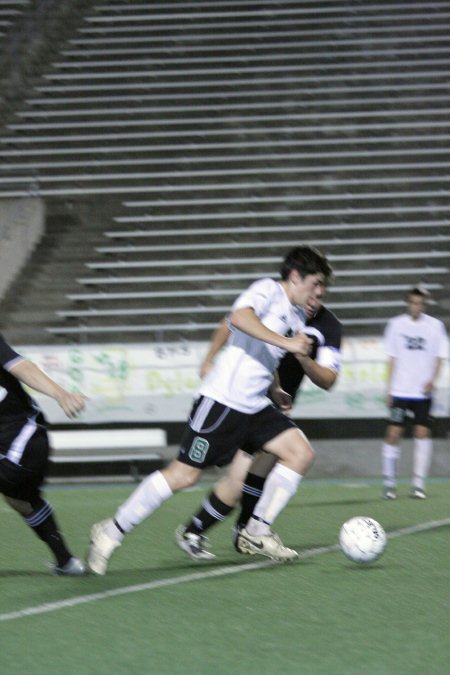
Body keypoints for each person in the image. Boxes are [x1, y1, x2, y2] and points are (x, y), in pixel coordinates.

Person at [87, 245, 333, 574]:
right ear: (295, 276)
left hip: (255, 405)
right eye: (315, 283)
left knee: (300, 452)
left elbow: (264, 349)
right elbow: (238, 318)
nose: (319, 292)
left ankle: (256, 531)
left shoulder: (296, 314)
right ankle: (110, 532)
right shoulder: (268, 290)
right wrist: (288, 344)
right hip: (222, 401)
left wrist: (274, 386)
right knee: (184, 475)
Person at [175, 288, 342, 561]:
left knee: (263, 468)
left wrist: (303, 357)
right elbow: (230, 321)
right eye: (311, 292)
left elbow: (328, 379)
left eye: (319, 295)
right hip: (240, 399)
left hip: (270, 409)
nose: (313, 300)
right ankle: (211, 530)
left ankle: (241, 530)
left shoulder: (328, 326)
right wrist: (208, 359)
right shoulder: (277, 302)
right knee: (239, 479)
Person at [0, 333, 87, 575]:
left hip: (23, 444)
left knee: (19, 494)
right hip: (22, 447)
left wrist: (62, 394)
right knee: (21, 501)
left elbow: (23, 367)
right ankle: (66, 562)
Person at [381, 287, 448, 500]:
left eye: (420, 303)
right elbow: (392, 358)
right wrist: (389, 388)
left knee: (422, 433)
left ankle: (418, 485)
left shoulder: (435, 327)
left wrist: (433, 380)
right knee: (393, 434)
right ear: (407, 303)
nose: (416, 306)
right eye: (413, 302)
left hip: (422, 393)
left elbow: (440, 357)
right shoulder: (395, 325)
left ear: (425, 305)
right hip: (400, 390)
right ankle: (389, 484)